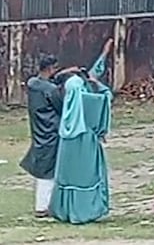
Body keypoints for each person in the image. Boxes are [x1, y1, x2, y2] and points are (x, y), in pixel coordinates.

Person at [50, 52, 113, 224]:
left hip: (67, 144)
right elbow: (106, 98)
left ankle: (66, 211)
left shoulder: (65, 111)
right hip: (85, 142)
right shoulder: (89, 102)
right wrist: (99, 84)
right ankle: (85, 210)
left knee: (68, 176)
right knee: (86, 176)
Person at [19, 55, 79, 218]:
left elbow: (47, 81)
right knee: (48, 171)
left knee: (44, 167)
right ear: (50, 68)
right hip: (51, 131)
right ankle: (43, 206)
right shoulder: (50, 90)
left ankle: (45, 204)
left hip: (39, 128)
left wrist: (64, 72)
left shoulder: (32, 84)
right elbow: (61, 106)